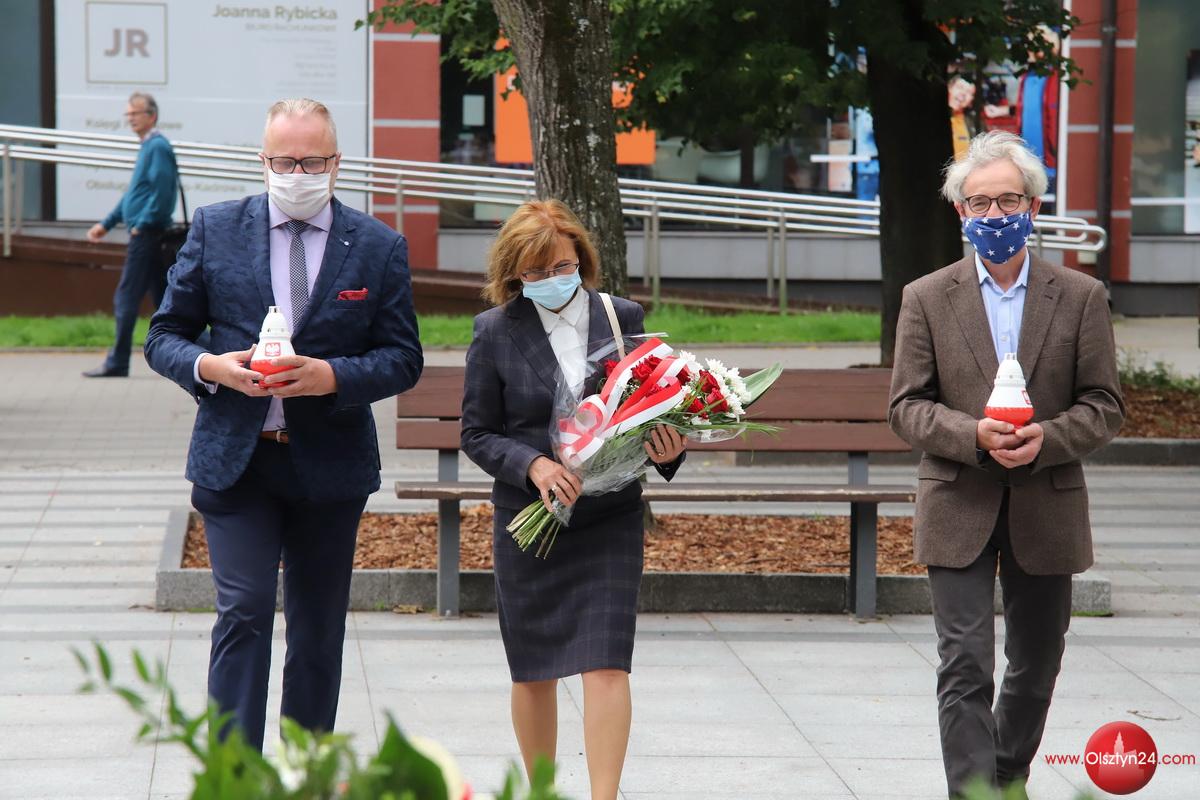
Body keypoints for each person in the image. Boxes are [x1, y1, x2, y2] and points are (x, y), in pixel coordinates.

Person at [143, 98, 423, 751]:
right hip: (237, 462)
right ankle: (235, 773)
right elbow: (163, 336)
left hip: (330, 466)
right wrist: (211, 366)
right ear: (263, 160)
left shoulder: (377, 246)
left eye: (312, 162)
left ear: (336, 163)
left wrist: (333, 377)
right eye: (285, 161)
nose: (298, 174)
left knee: (318, 626)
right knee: (243, 611)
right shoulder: (216, 228)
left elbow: (402, 357)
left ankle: (305, 769)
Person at [888, 131, 1125, 799]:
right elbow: (906, 407)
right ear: (960, 211)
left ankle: (1004, 775)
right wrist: (973, 435)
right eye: (980, 203)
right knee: (964, 662)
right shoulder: (927, 297)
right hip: (957, 498)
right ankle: (972, 794)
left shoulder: (1079, 295)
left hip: (1047, 501)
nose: (995, 215)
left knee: (1037, 662)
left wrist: (1046, 438)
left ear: (1033, 206)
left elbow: (1105, 405)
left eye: (1009, 201)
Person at [460, 200, 686, 800]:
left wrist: (668, 449)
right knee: (533, 668)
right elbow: (477, 433)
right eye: (534, 272)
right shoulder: (494, 331)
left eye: (561, 266)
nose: (550, 279)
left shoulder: (622, 317)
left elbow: (651, 405)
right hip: (529, 519)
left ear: (580, 260)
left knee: (608, 662)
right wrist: (532, 465)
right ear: (515, 275)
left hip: (609, 517)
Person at [84, 91, 179, 378]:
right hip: (147, 233)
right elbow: (133, 194)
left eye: (135, 113)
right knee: (167, 302)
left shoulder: (157, 147)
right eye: (128, 114)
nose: (130, 119)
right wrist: (107, 224)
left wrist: (142, 224)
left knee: (126, 297)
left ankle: (118, 361)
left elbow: (162, 192)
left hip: (147, 235)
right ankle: (200, 351)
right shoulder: (148, 146)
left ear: (152, 116)